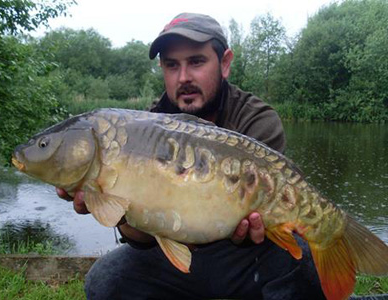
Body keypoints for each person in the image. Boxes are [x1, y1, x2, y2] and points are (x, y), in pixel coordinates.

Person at [57, 13, 325, 300]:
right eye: (172, 65)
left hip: (245, 257)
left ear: (224, 63)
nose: (183, 77)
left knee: (306, 260)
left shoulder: (255, 119)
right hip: (173, 255)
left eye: (196, 62)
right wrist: (119, 213)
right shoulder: (141, 130)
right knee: (105, 279)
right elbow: (142, 239)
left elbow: (259, 223)